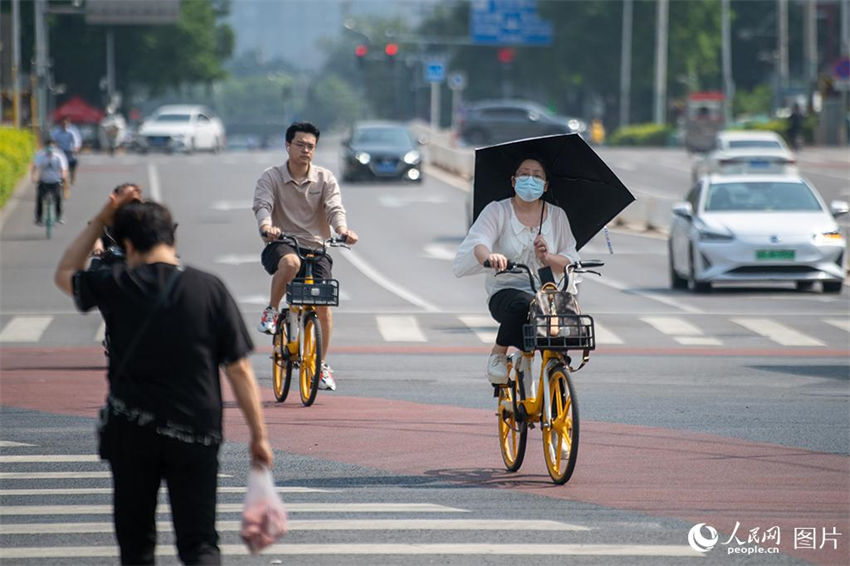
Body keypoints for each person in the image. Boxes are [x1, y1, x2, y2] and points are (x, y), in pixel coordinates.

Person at [54, 193, 273, 565]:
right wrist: (259, 436)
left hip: (132, 431)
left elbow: (65, 275)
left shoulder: (116, 283)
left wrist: (99, 217)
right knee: (200, 542)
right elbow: (238, 369)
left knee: (137, 544)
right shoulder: (209, 288)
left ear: (126, 245)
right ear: (172, 236)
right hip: (196, 430)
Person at [252, 121, 359, 392]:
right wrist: (267, 227)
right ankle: (272, 312)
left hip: (317, 247)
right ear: (287, 145)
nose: (305, 150)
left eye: (310, 146)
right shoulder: (271, 177)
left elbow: (335, 207)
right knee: (291, 262)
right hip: (282, 243)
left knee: (323, 304)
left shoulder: (325, 178)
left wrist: (343, 230)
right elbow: (263, 205)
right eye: (299, 144)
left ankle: (321, 365)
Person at [453, 156, 579, 384]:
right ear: (513, 181)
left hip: (549, 293)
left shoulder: (557, 216)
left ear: (546, 185)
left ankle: (559, 396)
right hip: (507, 291)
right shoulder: (497, 211)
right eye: (524, 174)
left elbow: (570, 260)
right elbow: (479, 242)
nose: (530, 180)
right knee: (525, 304)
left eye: (537, 176)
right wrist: (490, 257)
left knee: (562, 339)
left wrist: (548, 257)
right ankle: (498, 353)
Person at [31, 136, 68, 225]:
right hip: (44, 181)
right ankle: (39, 217)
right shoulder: (40, 156)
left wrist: (63, 177)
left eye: (52, 146)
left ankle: (58, 217)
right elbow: (35, 167)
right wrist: (34, 177)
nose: (50, 148)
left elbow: (63, 169)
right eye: (48, 146)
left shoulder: (59, 156)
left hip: (55, 181)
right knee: (39, 198)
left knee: (58, 198)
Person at [50, 115, 82, 191]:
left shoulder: (72, 132)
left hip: (69, 153)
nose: (64, 125)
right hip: (60, 153)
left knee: (74, 163)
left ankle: (73, 175)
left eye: (66, 123)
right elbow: (52, 141)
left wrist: (76, 148)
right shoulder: (56, 132)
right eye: (63, 123)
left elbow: (76, 142)